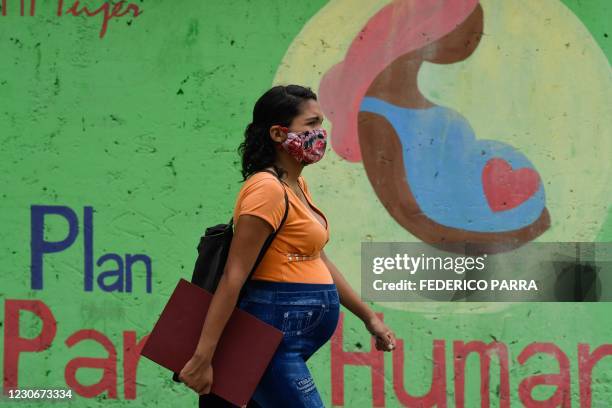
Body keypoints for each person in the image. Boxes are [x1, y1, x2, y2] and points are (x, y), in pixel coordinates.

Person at [178, 84, 397, 407]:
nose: (320, 134)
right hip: (271, 338)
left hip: (284, 338)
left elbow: (315, 258)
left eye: (321, 123)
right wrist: (203, 356)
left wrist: (369, 317)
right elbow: (233, 276)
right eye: (311, 125)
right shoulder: (265, 190)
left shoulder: (295, 185)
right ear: (279, 134)